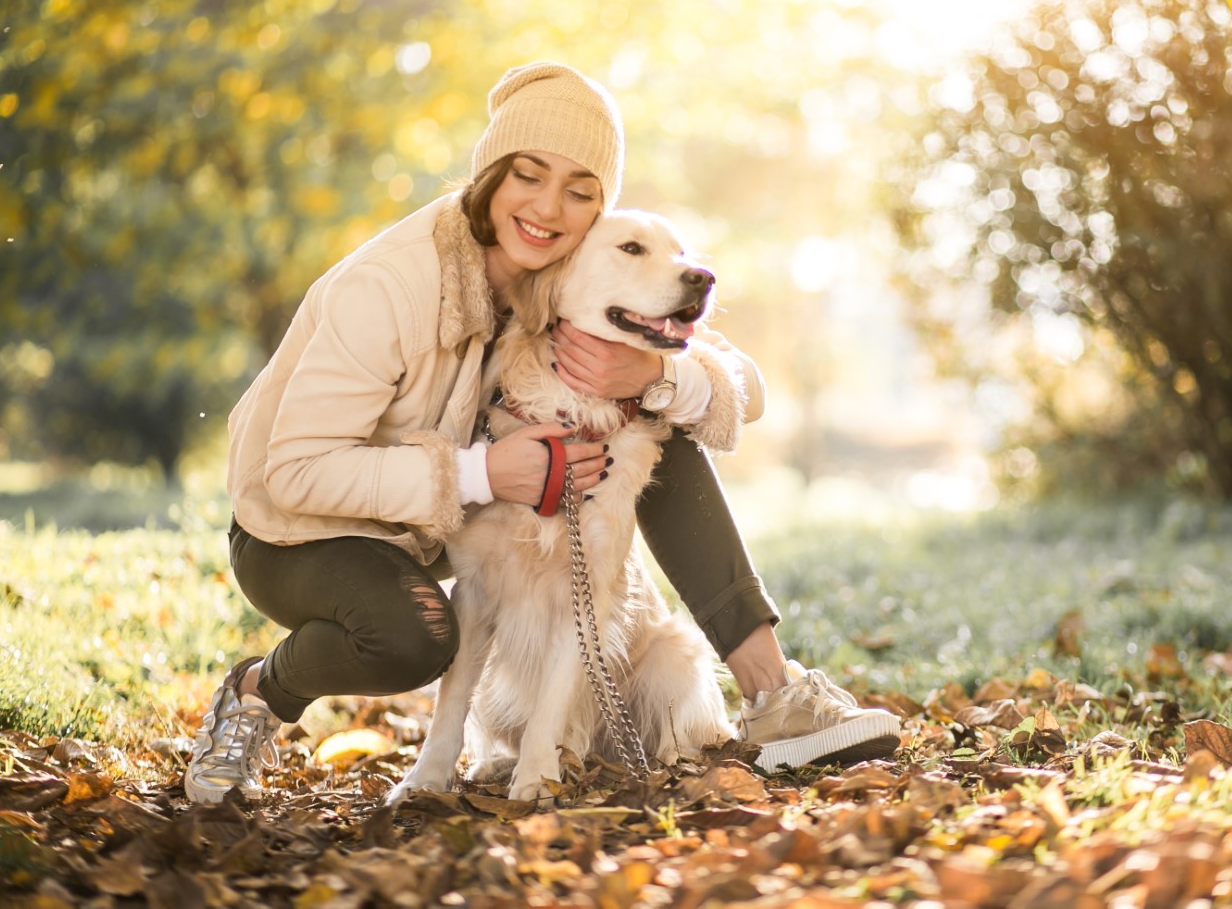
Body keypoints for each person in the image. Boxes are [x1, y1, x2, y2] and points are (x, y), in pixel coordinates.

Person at [184, 62, 900, 804]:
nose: (550, 206)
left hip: (425, 529)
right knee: (416, 637)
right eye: (528, 174)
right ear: (490, 175)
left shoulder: (566, 273)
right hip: (299, 532)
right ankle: (262, 690)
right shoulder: (390, 286)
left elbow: (740, 388)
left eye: (581, 191)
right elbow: (294, 472)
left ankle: (772, 693)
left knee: (656, 422)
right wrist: (486, 475)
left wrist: (649, 380)